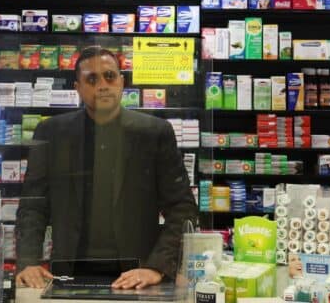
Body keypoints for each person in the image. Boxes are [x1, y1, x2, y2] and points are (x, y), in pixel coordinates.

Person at [16, 46, 198, 290]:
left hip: (137, 276)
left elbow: (182, 208)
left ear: (122, 82)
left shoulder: (154, 132)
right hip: (69, 273)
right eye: (92, 79)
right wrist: (28, 261)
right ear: (78, 88)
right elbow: (33, 205)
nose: (102, 85)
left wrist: (157, 266)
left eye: (109, 76)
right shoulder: (52, 133)